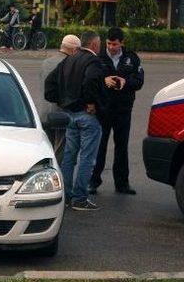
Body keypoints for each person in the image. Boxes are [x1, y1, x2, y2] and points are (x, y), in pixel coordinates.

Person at [54, 31, 106, 211]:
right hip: (87, 115)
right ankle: (80, 198)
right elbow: (91, 80)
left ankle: (66, 196)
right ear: (94, 45)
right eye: (99, 44)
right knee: (87, 158)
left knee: (69, 156)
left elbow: (52, 82)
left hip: (70, 113)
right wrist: (91, 102)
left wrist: (63, 101)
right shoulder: (93, 61)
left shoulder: (69, 59)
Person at [90, 27, 144, 195]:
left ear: (122, 43)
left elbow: (139, 80)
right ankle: (93, 182)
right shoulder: (98, 57)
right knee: (100, 146)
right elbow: (90, 78)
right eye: (108, 43)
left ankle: (122, 184)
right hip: (103, 109)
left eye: (115, 44)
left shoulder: (132, 58)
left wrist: (125, 81)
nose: (111, 47)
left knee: (122, 147)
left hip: (123, 109)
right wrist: (104, 80)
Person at [39, 34, 81, 162]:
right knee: (61, 152)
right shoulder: (70, 64)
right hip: (61, 114)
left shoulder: (45, 62)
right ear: (74, 50)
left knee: (47, 149)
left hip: (44, 113)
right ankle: (58, 177)